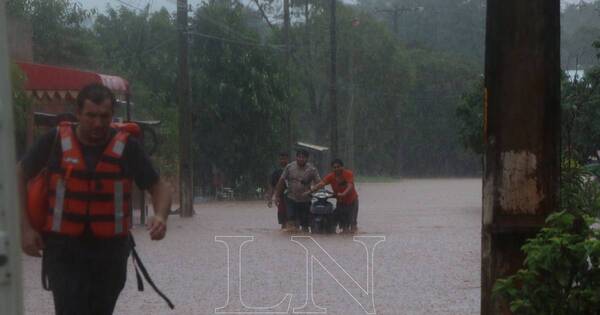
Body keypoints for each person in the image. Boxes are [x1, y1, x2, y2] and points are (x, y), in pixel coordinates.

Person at [17, 83, 173, 315]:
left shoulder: (127, 147)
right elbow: (18, 175)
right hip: (64, 251)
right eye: (91, 116)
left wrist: (161, 215)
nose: (98, 123)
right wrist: (25, 228)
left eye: (104, 116)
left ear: (112, 115)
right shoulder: (54, 141)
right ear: (78, 113)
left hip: (109, 254)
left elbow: (159, 186)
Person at [274, 149, 321, 232]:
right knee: (290, 223)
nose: (301, 159)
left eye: (303, 157)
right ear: (296, 157)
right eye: (299, 157)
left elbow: (319, 183)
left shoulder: (312, 169)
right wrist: (277, 196)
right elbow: (281, 181)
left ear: (307, 159)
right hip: (291, 198)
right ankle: (292, 241)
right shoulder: (289, 167)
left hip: (305, 200)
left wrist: (311, 192)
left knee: (305, 225)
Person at [307, 159, 359, 233]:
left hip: (352, 201)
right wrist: (310, 191)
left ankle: (353, 233)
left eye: (338, 167)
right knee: (344, 225)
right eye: (334, 167)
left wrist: (344, 193)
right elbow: (321, 184)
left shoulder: (348, 174)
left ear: (342, 167)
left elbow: (350, 185)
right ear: (332, 168)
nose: (336, 169)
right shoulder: (331, 176)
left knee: (352, 223)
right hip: (340, 202)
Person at [267, 152, 290, 229]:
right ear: (279, 160)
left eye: (285, 159)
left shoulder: (293, 170)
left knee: (293, 220)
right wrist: (270, 199)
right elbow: (271, 186)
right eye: (281, 159)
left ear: (288, 159)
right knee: (283, 221)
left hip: (292, 198)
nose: (283, 161)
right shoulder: (276, 173)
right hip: (281, 198)